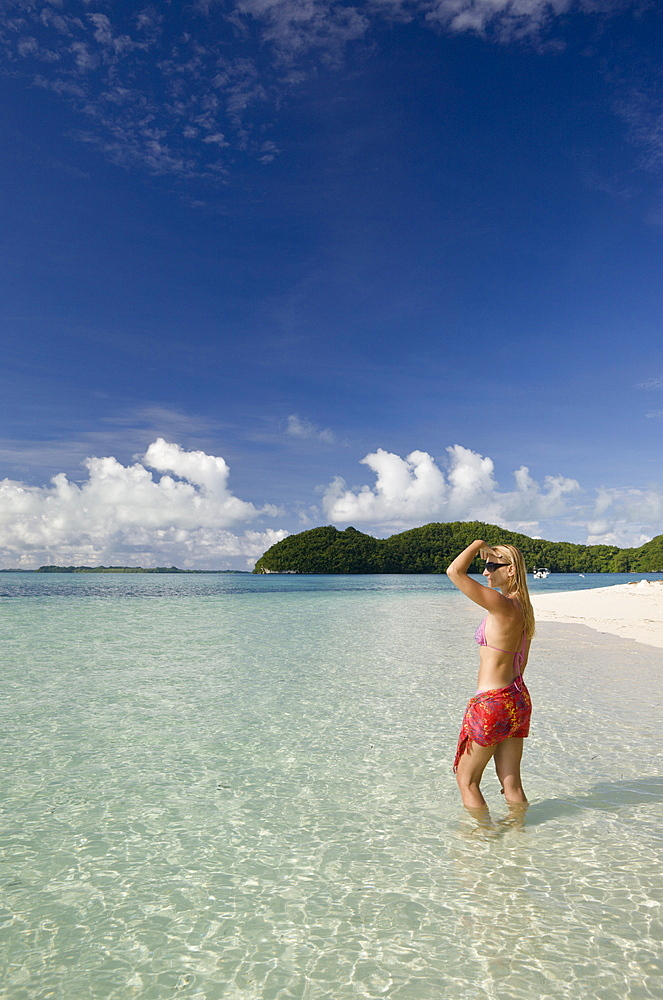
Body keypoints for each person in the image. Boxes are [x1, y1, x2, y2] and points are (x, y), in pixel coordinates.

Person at [446, 539, 535, 810]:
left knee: (467, 780)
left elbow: (454, 572)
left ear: (510, 570)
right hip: (516, 697)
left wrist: (476, 544)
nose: (485, 572)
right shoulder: (525, 609)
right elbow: (521, 664)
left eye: (492, 566)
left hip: (492, 702)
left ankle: (481, 843)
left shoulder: (501, 604)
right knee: (512, 784)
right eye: (485, 566)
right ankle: (519, 840)